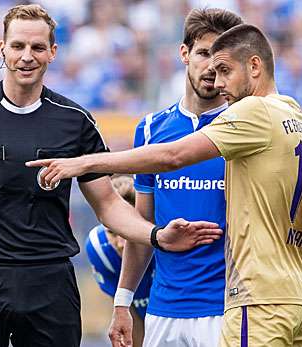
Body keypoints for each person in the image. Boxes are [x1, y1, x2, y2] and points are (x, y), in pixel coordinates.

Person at [0, 4, 222, 347]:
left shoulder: (75, 120)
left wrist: (155, 236)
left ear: (53, 52)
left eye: (37, 47)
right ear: (1, 48)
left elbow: (108, 203)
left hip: (49, 282)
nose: (26, 56)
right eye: (18, 46)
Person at [28, 23, 302, 347]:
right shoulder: (301, 122)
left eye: (226, 70)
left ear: (255, 65)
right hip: (290, 301)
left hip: (251, 301)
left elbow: (173, 156)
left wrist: (84, 163)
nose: (218, 81)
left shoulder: (251, 114)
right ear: (184, 54)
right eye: (210, 63)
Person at [108, 9, 242, 347]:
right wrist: (122, 302)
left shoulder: (245, 127)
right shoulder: (151, 128)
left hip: (228, 309)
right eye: (203, 53)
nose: (212, 66)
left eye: (223, 58)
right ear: (184, 53)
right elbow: (143, 224)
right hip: (163, 310)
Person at [85, 175, 154, 347]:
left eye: (128, 231)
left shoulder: (164, 240)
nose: (121, 243)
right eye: (112, 232)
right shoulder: (99, 249)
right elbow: (126, 314)